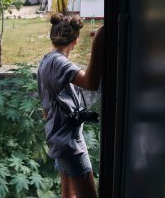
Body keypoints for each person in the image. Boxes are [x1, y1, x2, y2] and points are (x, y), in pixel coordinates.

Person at [37, 13, 105, 198]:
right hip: (69, 143)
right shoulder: (59, 63)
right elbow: (91, 83)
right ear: (75, 41)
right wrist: (99, 38)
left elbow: (45, 106)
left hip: (58, 137)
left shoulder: (46, 60)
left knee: (68, 193)